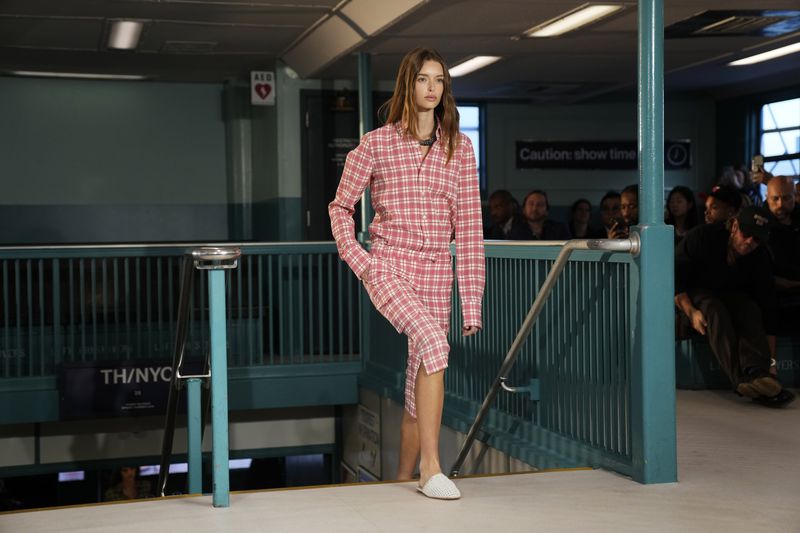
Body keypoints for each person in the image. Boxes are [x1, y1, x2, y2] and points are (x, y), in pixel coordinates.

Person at [328, 47, 484, 500]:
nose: (431, 88)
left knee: (422, 374)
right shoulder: (376, 143)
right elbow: (339, 207)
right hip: (391, 266)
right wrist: (361, 261)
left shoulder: (460, 147)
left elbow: (470, 228)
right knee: (437, 344)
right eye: (422, 79)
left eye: (439, 80)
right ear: (408, 84)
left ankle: (400, 480)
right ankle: (433, 469)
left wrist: (470, 300)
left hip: (437, 269)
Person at [674, 207, 794, 408]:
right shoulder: (702, 237)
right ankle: (740, 379)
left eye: (756, 240)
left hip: (732, 298)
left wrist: (771, 364)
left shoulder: (759, 256)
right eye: (746, 235)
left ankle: (758, 374)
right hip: (694, 298)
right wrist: (692, 312)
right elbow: (676, 283)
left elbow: (767, 307)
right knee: (713, 309)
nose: (749, 243)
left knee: (749, 309)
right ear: (734, 226)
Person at [763, 176, 800, 334]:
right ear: (767, 197)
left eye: (786, 198)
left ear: (795, 196)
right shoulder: (759, 223)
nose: (780, 204)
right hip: (772, 292)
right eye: (775, 199)